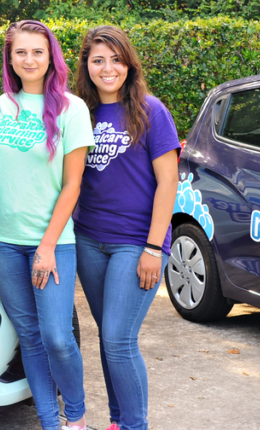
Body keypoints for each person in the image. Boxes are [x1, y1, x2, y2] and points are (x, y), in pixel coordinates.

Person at [0, 20, 95, 430]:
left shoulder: (71, 108)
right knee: (29, 336)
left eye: (37, 52)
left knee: (58, 338)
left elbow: (73, 184)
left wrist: (47, 245)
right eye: (20, 52)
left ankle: (76, 417)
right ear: (10, 59)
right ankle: (50, 422)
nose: (29, 60)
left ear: (51, 58)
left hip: (54, 242)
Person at [72, 26, 180, 430]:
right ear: (86, 66)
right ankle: (117, 422)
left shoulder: (151, 110)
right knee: (107, 337)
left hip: (137, 242)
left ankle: (135, 425)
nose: (108, 68)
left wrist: (154, 247)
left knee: (119, 340)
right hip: (88, 239)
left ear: (129, 64)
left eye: (116, 59)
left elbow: (168, 182)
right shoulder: (80, 112)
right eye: (98, 60)